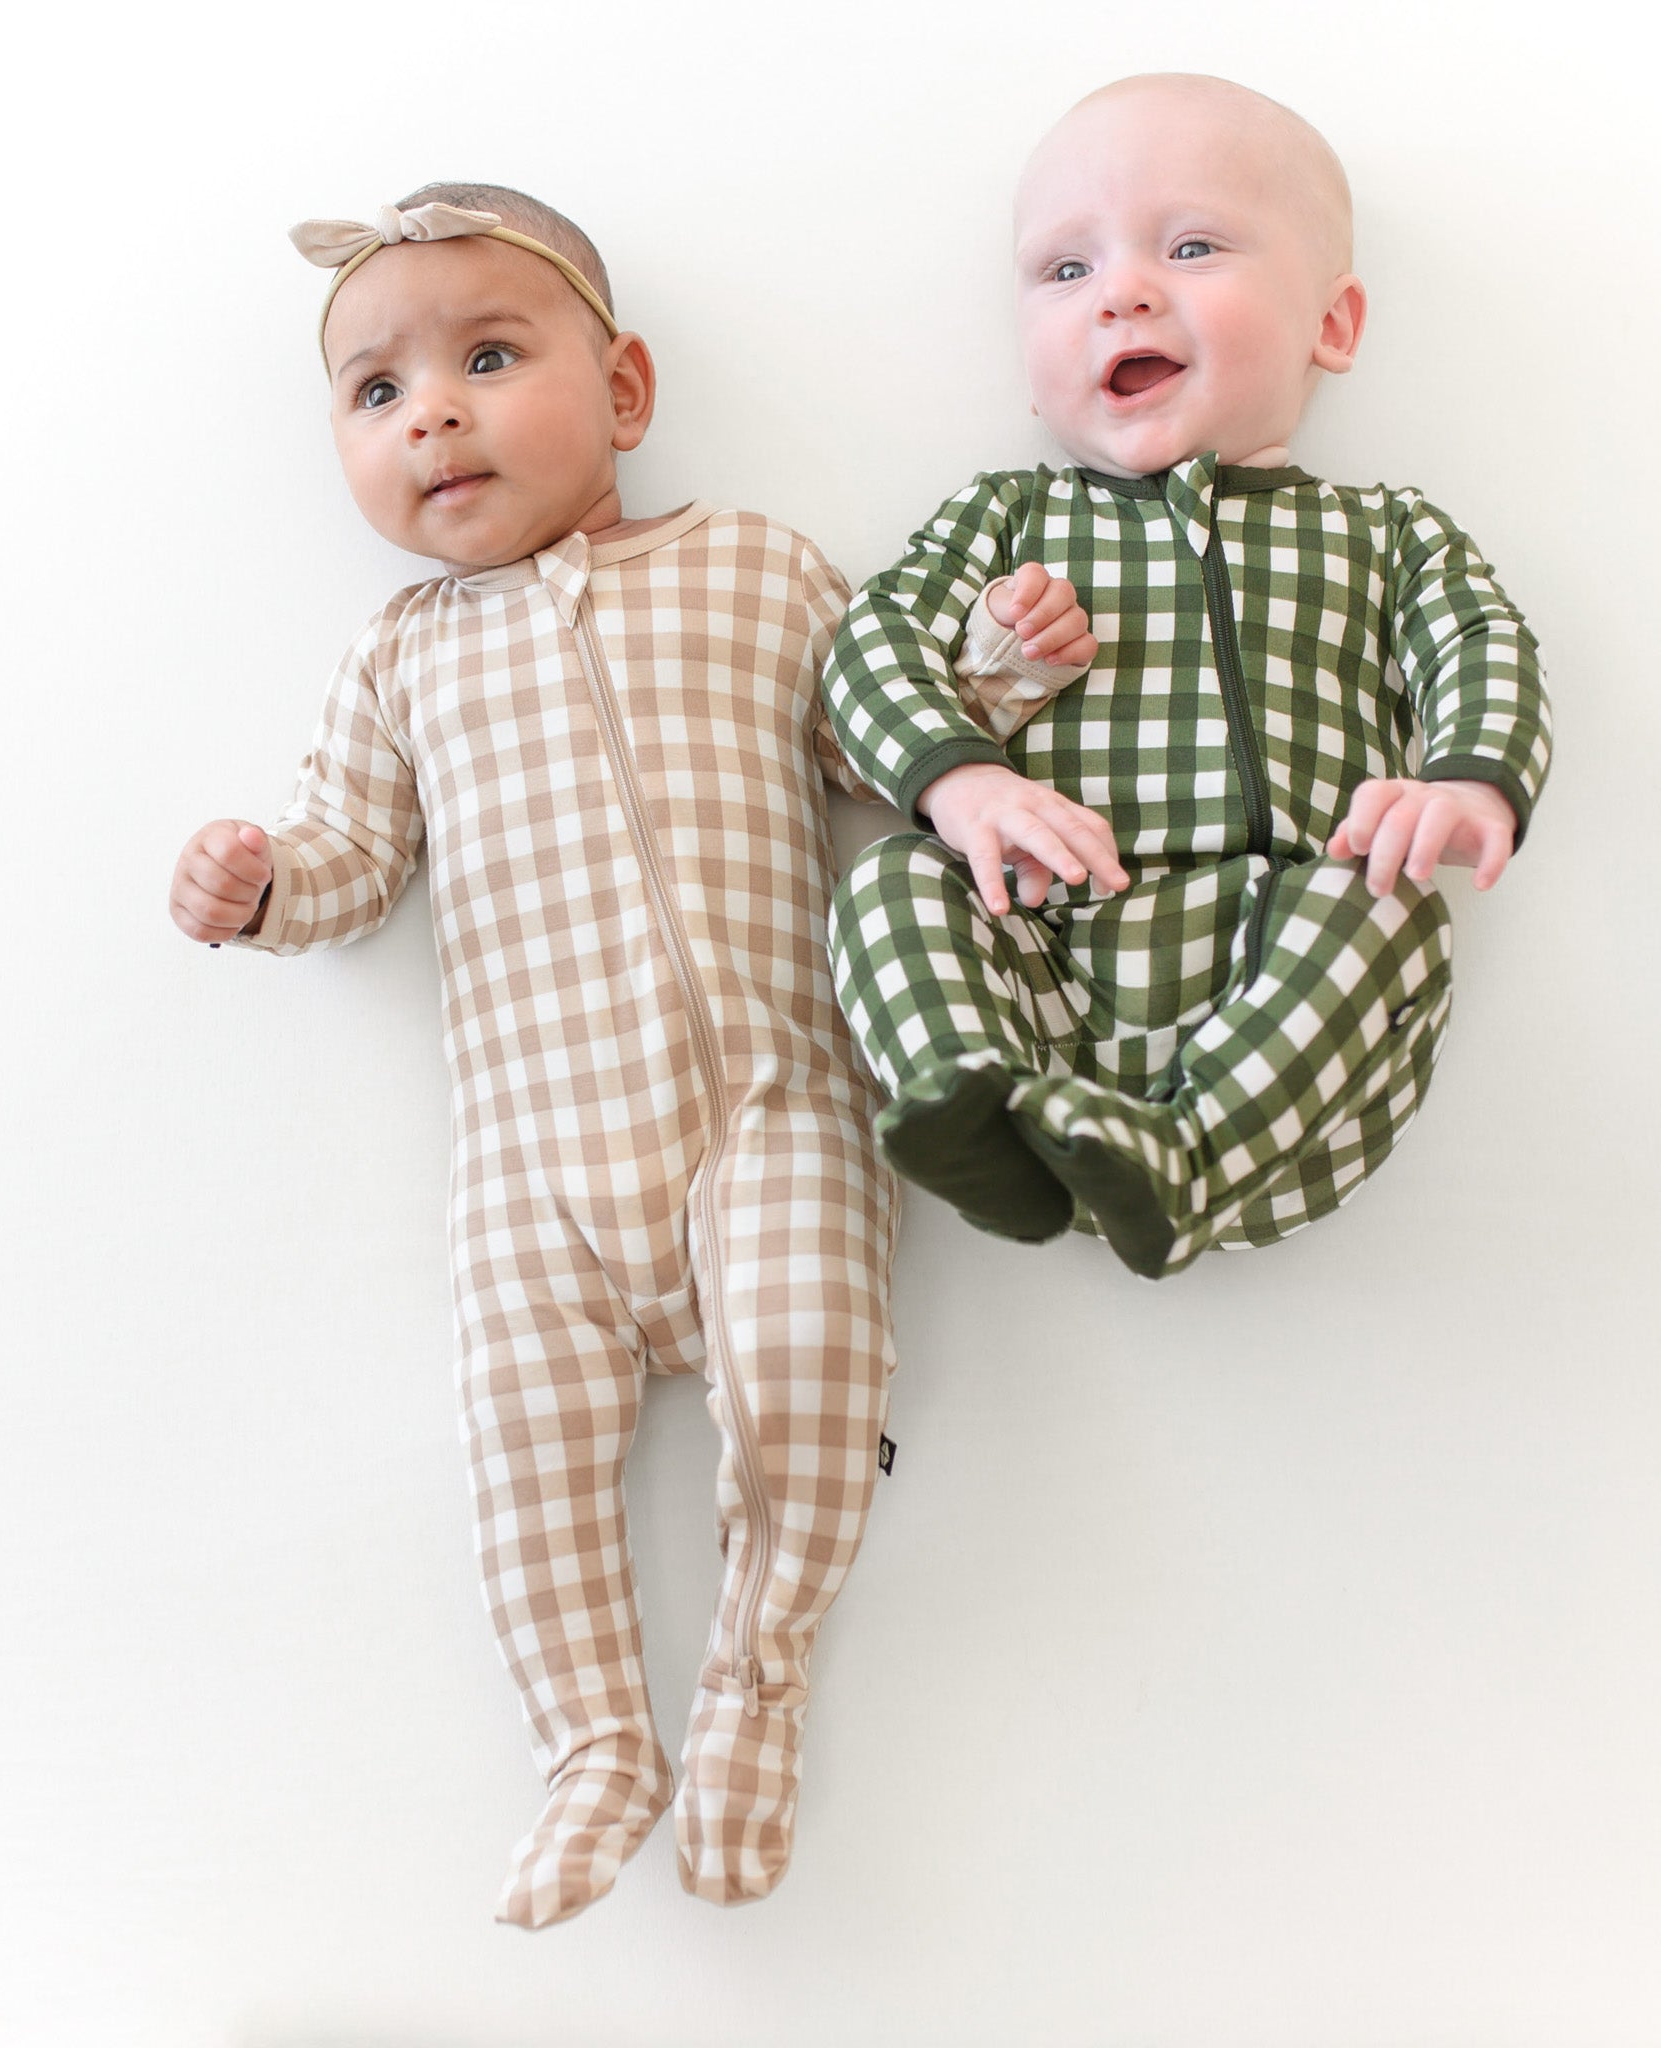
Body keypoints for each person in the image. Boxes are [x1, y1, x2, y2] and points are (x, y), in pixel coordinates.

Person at [167, 186, 900, 1927]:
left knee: (810, 1375)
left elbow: (886, 735)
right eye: (374, 390)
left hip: (765, 1108)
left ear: (624, 389)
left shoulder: (756, 564)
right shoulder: (403, 658)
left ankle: (751, 1688)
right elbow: (350, 855)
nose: (431, 411)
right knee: (523, 1460)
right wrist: (265, 882)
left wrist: (997, 685)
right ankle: (594, 1740)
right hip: (530, 1173)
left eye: (487, 357)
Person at [822, 75, 1553, 1277]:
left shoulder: (1379, 532)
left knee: (1380, 896)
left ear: (1331, 324)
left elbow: (1476, 638)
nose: (1121, 291)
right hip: (1042, 957)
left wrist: (1467, 780)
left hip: (1284, 1009)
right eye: (1065, 272)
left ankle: (1183, 1154)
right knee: (892, 880)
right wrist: (959, 784)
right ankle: (983, 1109)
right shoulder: (1006, 517)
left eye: (1191, 246)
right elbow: (873, 639)